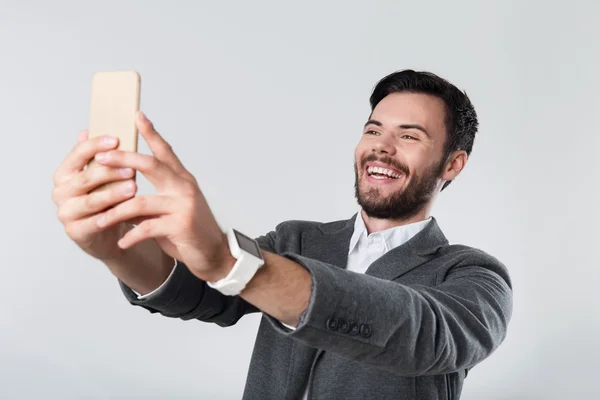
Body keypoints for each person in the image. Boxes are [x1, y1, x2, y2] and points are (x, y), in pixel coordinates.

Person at [52, 69, 513, 399]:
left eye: (409, 136)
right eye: (373, 129)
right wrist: (115, 248)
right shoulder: (296, 241)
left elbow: (424, 334)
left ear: (453, 164)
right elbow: (203, 292)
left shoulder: (474, 275)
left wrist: (233, 263)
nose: (381, 146)